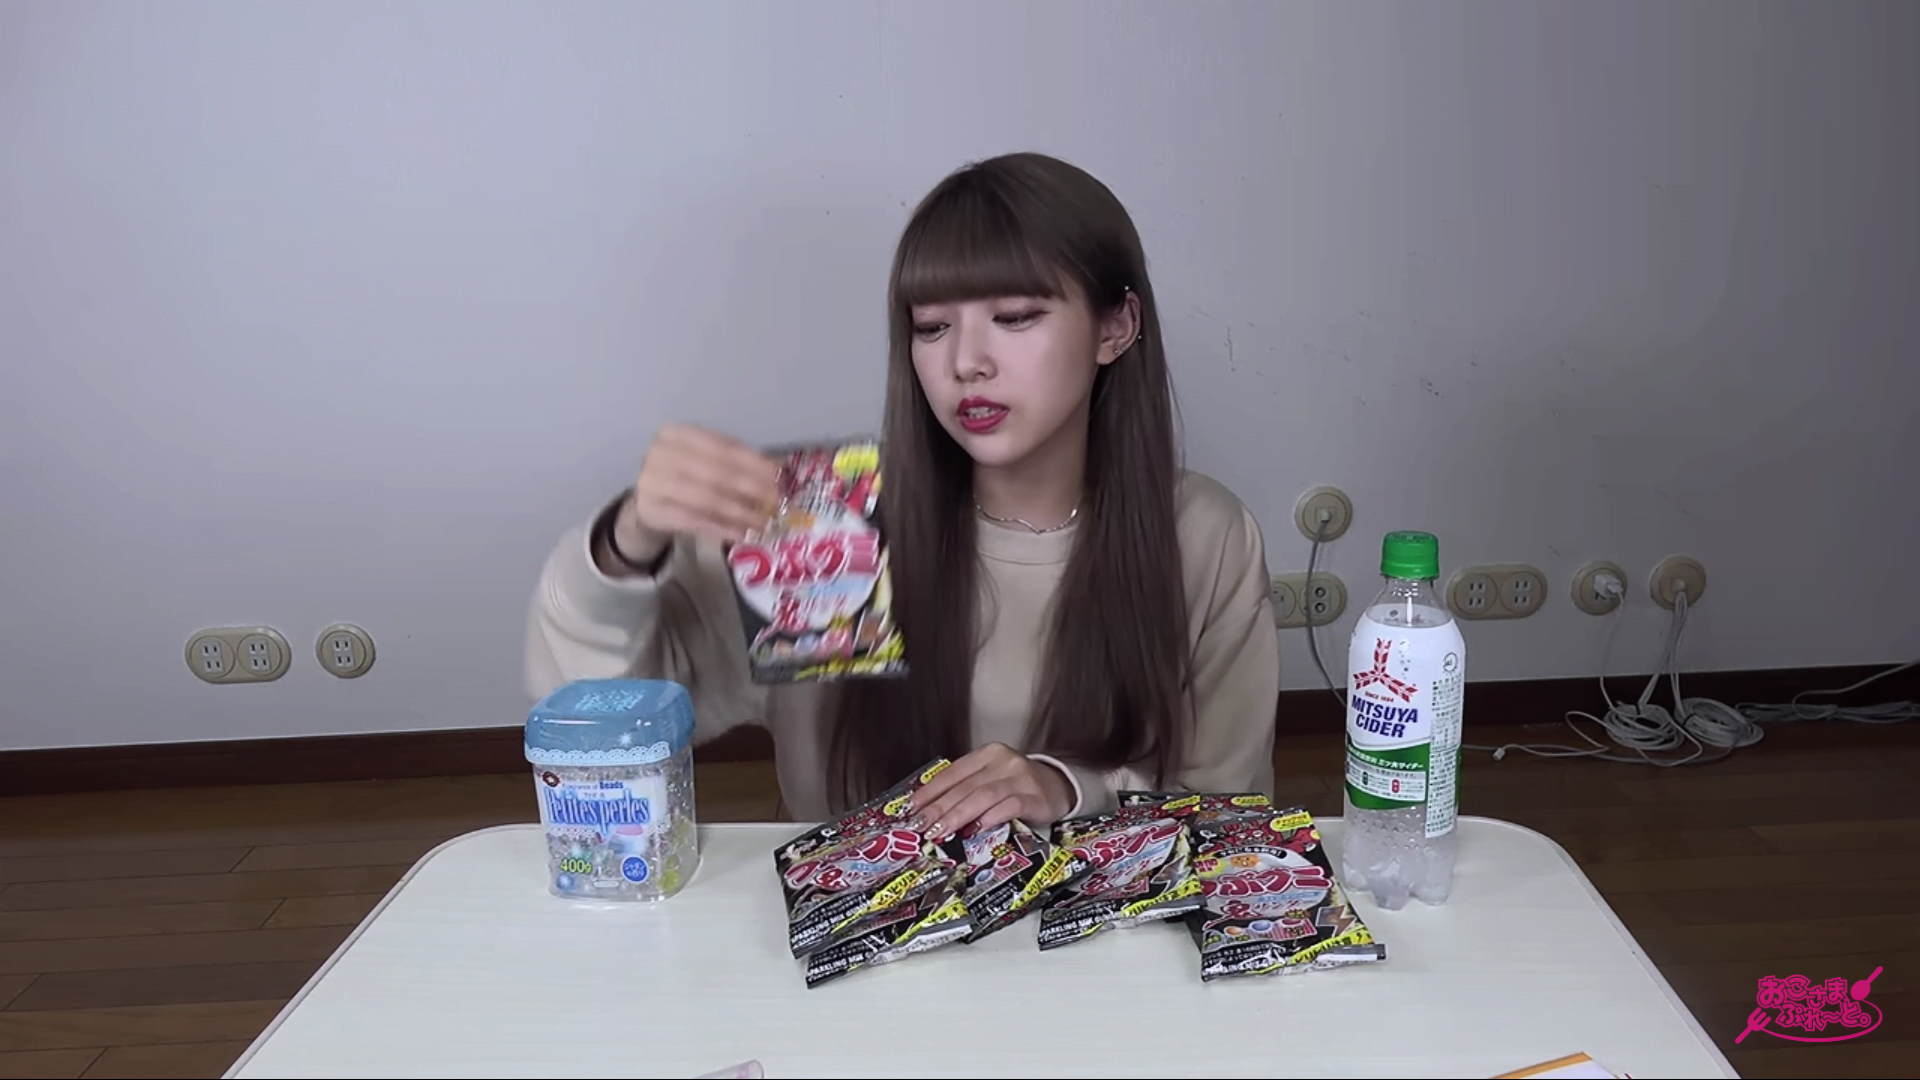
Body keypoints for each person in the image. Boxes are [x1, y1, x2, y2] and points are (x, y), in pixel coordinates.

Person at [525, 151, 1280, 840]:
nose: (966, 362)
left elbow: (1228, 809)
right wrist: (625, 545)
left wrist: (1069, 786)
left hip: (1099, 928)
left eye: (1014, 317)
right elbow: (593, 727)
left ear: (1116, 327)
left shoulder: (1199, 534)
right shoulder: (829, 525)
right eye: (932, 327)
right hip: (849, 928)